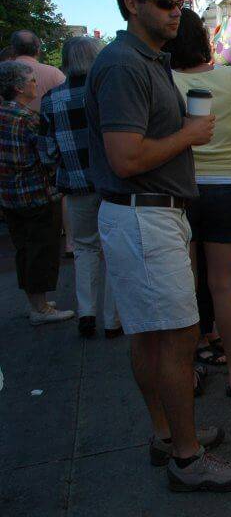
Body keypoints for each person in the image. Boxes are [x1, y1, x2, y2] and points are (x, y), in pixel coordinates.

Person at [85, 0, 231, 492]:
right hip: (144, 214)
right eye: (165, 3)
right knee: (176, 338)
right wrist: (190, 136)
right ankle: (187, 456)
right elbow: (126, 156)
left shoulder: (147, 59)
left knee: (155, 338)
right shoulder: (125, 65)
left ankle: (170, 434)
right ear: (131, 4)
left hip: (150, 213)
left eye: (180, 3)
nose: (177, 12)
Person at [163, 7, 231, 396]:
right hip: (225, 188)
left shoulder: (163, 81)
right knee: (224, 285)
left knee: (187, 283)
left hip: (179, 191)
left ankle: (188, 369)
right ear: (205, 43)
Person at [39, 36, 121, 338]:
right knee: (113, 249)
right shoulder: (107, 93)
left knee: (85, 248)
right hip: (112, 184)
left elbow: (47, 151)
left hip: (76, 186)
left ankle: (86, 312)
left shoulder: (51, 100)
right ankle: (113, 319)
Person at [0, 61, 75, 324]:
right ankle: (40, 308)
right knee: (41, 250)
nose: (36, 85)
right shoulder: (28, 119)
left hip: (9, 196)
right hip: (37, 195)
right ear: (19, 87)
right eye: (32, 81)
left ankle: (36, 300)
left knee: (23, 249)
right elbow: (48, 156)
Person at [9, 30, 65, 112]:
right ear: (38, 50)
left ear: (13, 49)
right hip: (45, 123)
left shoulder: (4, 71)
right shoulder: (55, 73)